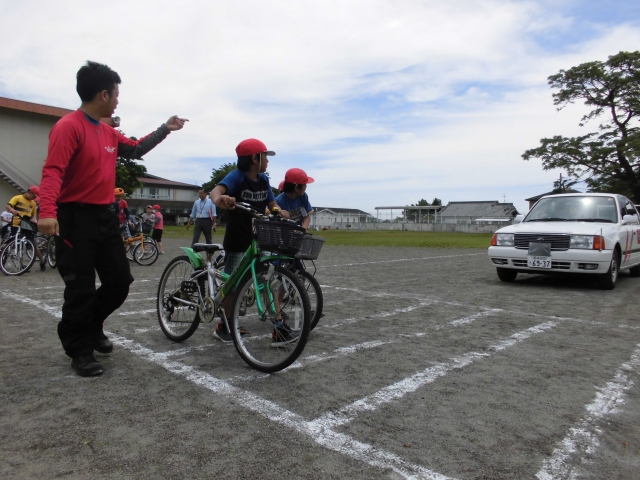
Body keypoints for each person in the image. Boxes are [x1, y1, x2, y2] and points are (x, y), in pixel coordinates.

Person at [38, 61, 188, 377]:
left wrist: (165, 129)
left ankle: (91, 326)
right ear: (103, 94)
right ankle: (79, 349)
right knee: (80, 288)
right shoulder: (69, 127)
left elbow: (135, 149)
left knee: (120, 281)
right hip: (74, 218)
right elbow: (53, 172)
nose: (118, 100)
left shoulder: (107, 131)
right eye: (117, 94)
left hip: (104, 217)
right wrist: (47, 213)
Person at [211, 138, 297, 346]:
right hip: (237, 238)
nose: (267, 160)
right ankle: (224, 324)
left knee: (267, 281)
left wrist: (280, 212)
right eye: (265, 156)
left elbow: (272, 204)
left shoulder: (264, 180)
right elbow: (216, 192)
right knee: (233, 284)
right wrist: (220, 200)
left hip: (259, 239)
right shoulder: (237, 177)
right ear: (254, 158)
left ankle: (278, 328)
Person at [7, 186, 47, 271]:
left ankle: (42, 260)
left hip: (27, 226)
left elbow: (33, 216)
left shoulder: (33, 203)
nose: (35, 198)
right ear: (30, 192)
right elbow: (8, 206)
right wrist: (12, 210)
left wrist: (35, 222)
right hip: (16, 224)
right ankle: (21, 264)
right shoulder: (17, 198)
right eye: (34, 196)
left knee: (32, 244)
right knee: (18, 245)